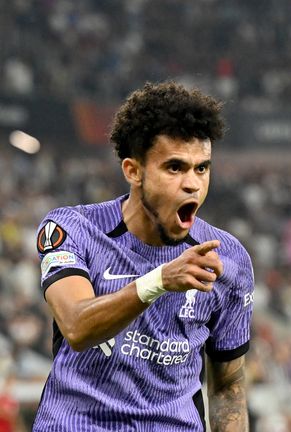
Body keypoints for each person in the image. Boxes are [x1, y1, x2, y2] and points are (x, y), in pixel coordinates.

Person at [33, 82, 255, 431]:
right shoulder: (74, 229)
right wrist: (159, 282)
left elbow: (228, 388)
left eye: (202, 168)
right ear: (133, 171)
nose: (193, 184)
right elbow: (76, 325)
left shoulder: (228, 259)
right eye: (175, 168)